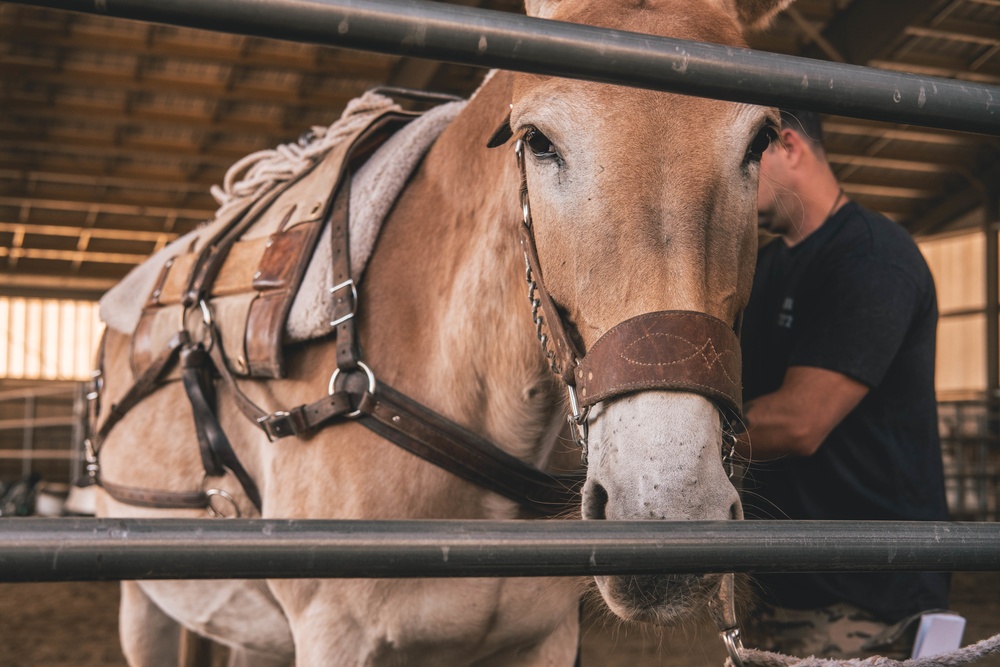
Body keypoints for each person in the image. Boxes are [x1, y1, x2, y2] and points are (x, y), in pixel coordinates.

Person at [738, 109, 953, 660]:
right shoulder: (763, 268)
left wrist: (674, 442)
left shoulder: (873, 256)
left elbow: (800, 421)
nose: (729, 175)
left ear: (788, 146)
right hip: (779, 586)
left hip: (862, 598)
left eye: (744, 155)